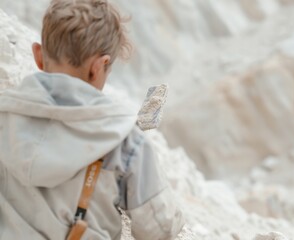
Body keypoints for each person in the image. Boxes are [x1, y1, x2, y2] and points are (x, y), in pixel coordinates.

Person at [0, 0, 184, 239]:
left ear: (39, 55)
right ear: (98, 67)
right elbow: (160, 229)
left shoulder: (5, 114)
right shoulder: (126, 143)